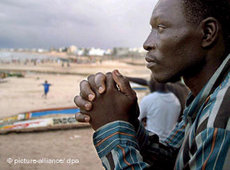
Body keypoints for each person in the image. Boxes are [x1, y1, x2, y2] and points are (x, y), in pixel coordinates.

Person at [74, 0, 230, 169]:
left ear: (207, 33)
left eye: (161, 28)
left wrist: (112, 131)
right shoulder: (204, 97)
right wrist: (128, 121)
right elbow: (173, 157)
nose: (147, 43)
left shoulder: (219, 122)